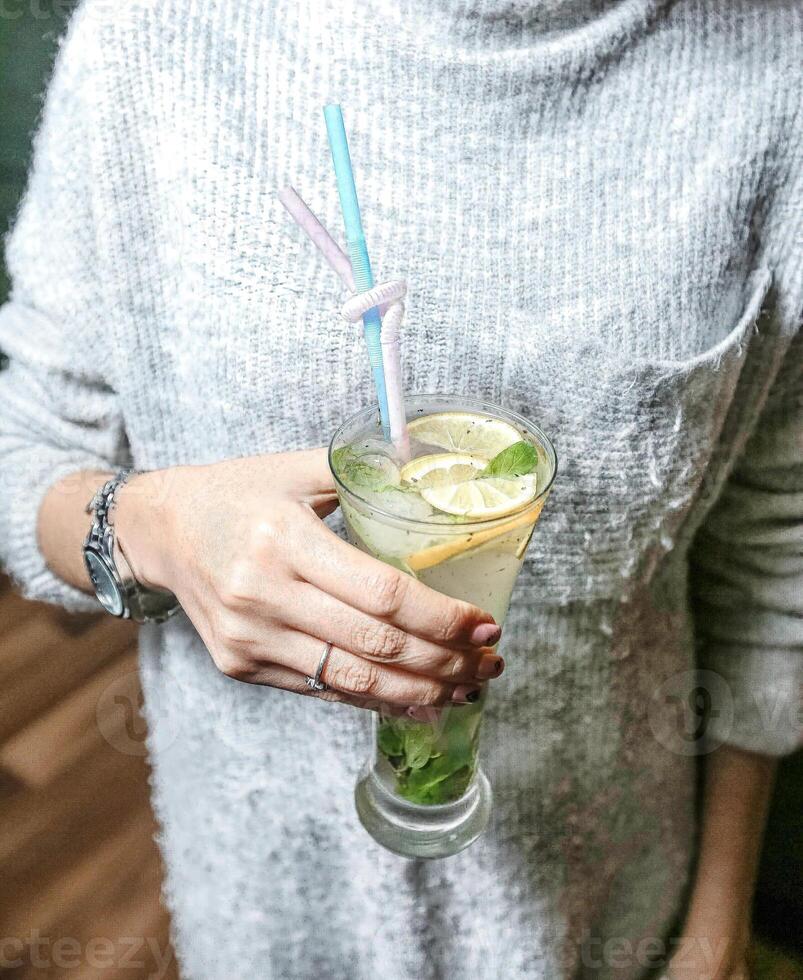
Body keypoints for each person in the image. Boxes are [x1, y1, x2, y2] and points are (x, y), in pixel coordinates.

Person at [0, 1, 800, 977]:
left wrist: (713, 931)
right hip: (265, 906)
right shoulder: (150, 30)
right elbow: (27, 441)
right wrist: (150, 527)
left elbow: (768, 540)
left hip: (604, 905)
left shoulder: (777, 75)